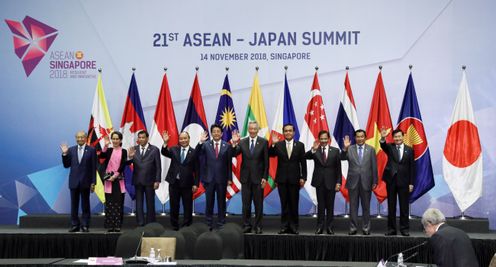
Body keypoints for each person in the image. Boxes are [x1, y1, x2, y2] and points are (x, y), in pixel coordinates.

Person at [231, 121, 268, 234]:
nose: (252, 131)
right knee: (246, 204)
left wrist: (265, 177)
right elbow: (234, 154)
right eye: (250, 129)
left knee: (258, 204)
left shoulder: (263, 142)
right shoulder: (242, 142)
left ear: (258, 130)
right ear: (248, 129)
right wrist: (234, 143)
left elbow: (266, 162)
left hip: (258, 179)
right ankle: (246, 225)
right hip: (245, 179)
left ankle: (258, 226)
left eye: (254, 129)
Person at [269, 123, 307, 235]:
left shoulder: (300, 145)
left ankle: (294, 227)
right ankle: (284, 226)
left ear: (294, 132)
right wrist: (273, 144)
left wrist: (303, 177)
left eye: (290, 131)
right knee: (284, 204)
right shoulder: (278, 145)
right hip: (281, 180)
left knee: (294, 204)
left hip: (295, 180)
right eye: (286, 131)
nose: (288, 132)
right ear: (283, 132)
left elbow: (303, 163)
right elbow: (270, 155)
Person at [341, 129, 378, 235]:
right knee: (353, 207)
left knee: (366, 207)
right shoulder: (350, 149)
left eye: (362, 136)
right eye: (358, 136)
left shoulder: (371, 149)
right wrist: (345, 148)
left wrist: (375, 180)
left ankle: (366, 228)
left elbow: (374, 166)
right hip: (353, 182)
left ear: (365, 137)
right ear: (355, 138)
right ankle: (353, 228)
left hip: (367, 182)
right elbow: (342, 158)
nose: (360, 138)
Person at [161, 131, 200, 230]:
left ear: (189, 139)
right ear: (179, 140)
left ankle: (187, 225)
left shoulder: (194, 152)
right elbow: (164, 152)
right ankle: (174, 225)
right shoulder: (174, 149)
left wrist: (196, 184)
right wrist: (165, 143)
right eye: (181, 139)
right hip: (174, 182)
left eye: (185, 138)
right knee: (174, 205)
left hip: (187, 183)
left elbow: (197, 170)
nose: (183, 140)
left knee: (187, 206)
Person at [197, 124, 233, 229]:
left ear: (221, 133)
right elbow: (197, 154)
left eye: (218, 131)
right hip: (209, 179)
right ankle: (208, 223)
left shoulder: (227, 146)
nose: (216, 133)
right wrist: (200, 142)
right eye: (214, 131)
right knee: (209, 203)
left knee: (221, 202)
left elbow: (229, 164)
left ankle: (221, 222)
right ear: (211, 133)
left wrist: (229, 178)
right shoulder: (205, 145)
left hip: (222, 179)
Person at [305, 130, 341, 235]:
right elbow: (305, 157)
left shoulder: (335, 151)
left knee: (330, 207)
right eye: (321, 139)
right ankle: (319, 227)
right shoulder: (315, 150)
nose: (324, 141)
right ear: (319, 139)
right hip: (319, 182)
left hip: (331, 182)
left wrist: (338, 182)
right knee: (320, 206)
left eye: (325, 138)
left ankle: (330, 227)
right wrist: (313, 150)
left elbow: (338, 169)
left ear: (329, 139)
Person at [380, 128, 415, 236]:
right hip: (391, 181)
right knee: (391, 206)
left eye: (399, 136)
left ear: (403, 136)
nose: (397, 138)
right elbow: (383, 145)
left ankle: (404, 229)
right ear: (393, 138)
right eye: (395, 137)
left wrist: (411, 183)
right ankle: (392, 229)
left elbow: (412, 168)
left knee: (404, 207)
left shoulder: (409, 150)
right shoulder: (390, 147)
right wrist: (383, 137)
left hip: (404, 182)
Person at [60, 131, 97, 232]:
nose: (80, 139)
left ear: (85, 138)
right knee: (74, 205)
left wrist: (93, 182)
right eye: (78, 137)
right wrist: (64, 154)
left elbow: (94, 168)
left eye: (82, 137)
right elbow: (66, 165)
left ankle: (85, 225)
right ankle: (74, 225)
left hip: (86, 182)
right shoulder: (71, 150)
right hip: (74, 182)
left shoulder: (92, 150)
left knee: (85, 205)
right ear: (75, 138)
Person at [127, 130, 161, 226]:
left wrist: (157, 180)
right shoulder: (134, 149)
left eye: (143, 137)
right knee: (139, 204)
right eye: (139, 137)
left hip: (150, 181)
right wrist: (129, 158)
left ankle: (151, 224)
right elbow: (127, 164)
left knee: (150, 204)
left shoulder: (154, 149)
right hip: (138, 181)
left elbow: (158, 166)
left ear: (147, 138)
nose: (141, 139)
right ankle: (140, 224)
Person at [99, 131, 127, 232]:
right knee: (110, 203)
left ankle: (118, 225)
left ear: (120, 140)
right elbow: (101, 157)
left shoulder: (123, 151)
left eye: (117, 139)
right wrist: (105, 145)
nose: (115, 141)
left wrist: (115, 176)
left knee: (118, 203)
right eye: (113, 139)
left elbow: (123, 165)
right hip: (108, 179)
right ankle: (110, 225)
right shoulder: (109, 150)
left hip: (118, 180)